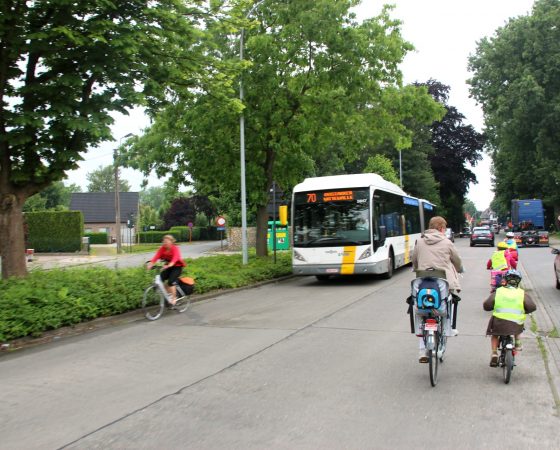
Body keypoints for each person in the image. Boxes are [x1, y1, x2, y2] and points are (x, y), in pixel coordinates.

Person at [412, 216, 464, 363]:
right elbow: (457, 261)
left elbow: (414, 260)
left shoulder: (420, 241)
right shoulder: (447, 242)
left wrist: (418, 268)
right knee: (449, 302)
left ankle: (422, 350)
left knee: (420, 308)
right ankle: (448, 329)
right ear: (441, 228)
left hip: (423, 282)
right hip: (443, 282)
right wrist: (460, 269)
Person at [483, 269, 536, 367]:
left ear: (505, 280)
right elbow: (532, 306)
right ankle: (518, 343)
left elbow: (487, 305)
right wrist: (525, 311)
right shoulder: (521, 293)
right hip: (515, 324)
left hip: (499, 323)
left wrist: (489, 307)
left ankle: (494, 353)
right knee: (519, 325)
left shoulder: (498, 291)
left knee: (495, 334)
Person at [147, 234, 186, 305]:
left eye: (166, 242)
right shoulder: (162, 248)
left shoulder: (175, 248)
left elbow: (175, 259)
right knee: (160, 280)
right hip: (168, 267)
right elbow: (156, 256)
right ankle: (169, 294)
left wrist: (168, 265)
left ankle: (174, 298)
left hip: (177, 267)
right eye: (164, 242)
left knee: (171, 282)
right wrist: (151, 263)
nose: (165, 243)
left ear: (171, 242)